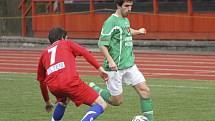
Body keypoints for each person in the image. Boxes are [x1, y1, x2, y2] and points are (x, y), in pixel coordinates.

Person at [89, 0, 154, 121]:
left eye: (131, 6)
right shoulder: (110, 22)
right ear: (118, 6)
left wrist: (138, 31)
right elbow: (101, 44)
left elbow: (127, 31)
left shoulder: (125, 20)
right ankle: (95, 89)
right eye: (126, 6)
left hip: (129, 65)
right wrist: (111, 61)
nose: (129, 9)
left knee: (145, 91)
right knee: (117, 101)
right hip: (115, 68)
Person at [37, 27, 108, 121]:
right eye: (67, 37)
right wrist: (99, 68)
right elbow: (84, 52)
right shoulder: (67, 43)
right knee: (101, 104)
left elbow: (42, 82)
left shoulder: (44, 54)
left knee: (63, 101)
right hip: (69, 82)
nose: (67, 39)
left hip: (53, 87)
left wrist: (47, 101)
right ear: (63, 37)